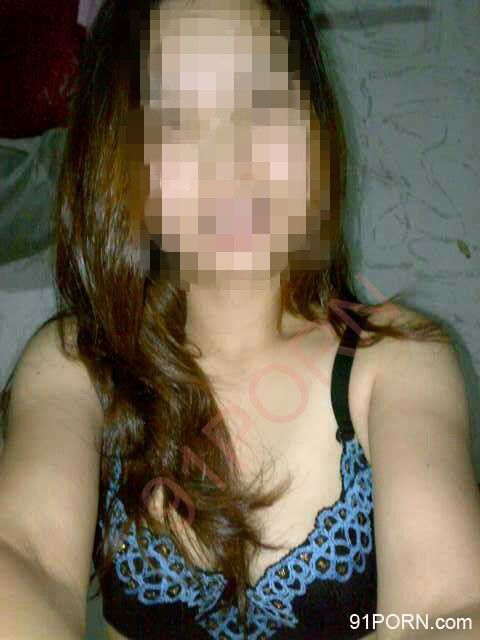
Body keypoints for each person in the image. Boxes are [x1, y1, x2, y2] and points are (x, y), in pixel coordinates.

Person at [1, 1, 479, 639]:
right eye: (175, 120)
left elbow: (444, 606)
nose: (230, 158)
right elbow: (25, 554)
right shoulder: (77, 366)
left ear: (315, 122)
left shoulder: (400, 362)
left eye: (262, 101)